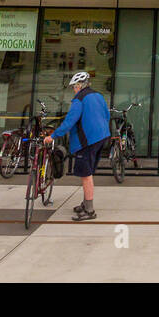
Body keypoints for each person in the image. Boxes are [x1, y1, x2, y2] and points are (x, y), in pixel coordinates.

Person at [45, 71, 111, 221]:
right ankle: (85, 203)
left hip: (87, 141)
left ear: (80, 85)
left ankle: (89, 210)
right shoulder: (98, 96)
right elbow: (106, 115)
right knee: (88, 174)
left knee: (86, 175)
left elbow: (69, 122)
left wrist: (53, 136)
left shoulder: (79, 100)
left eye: (74, 86)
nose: (73, 90)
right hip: (101, 137)